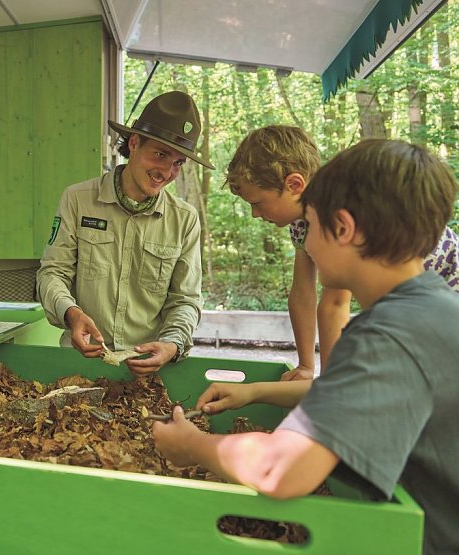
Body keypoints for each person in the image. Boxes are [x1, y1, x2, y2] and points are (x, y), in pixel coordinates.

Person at [153, 139, 459, 554]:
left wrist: (191, 446)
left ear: (344, 228)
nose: (307, 243)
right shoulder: (436, 311)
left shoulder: (385, 335)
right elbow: (356, 394)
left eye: (311, 226)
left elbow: (281, 469)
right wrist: (257, 391)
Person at [226, 126, 459, 380]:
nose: (255, 214)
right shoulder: (302, 222)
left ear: (294, 185)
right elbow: (302, 292)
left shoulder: (337, 215)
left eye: (257, 203)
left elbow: (335, 304)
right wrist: (305, 366)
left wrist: (327, 382)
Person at [36, 91, 213, 375]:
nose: (166, 171)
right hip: (79, 366)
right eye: (160, 154)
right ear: (134, 142)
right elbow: (52, 273)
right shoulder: (78, 199)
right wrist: (71, 314)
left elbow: (186, 300)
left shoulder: (185, 219)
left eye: (178, 162)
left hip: (146, 370)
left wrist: (171, 343)